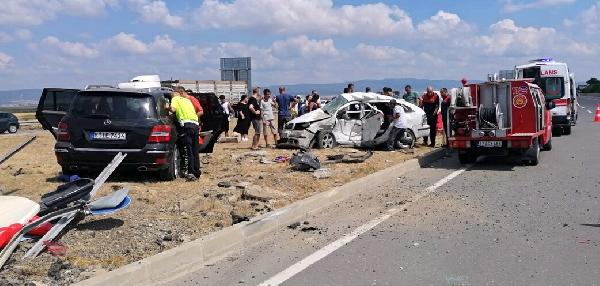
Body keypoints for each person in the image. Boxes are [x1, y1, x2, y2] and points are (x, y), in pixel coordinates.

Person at [169, 91, 200, 180]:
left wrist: (167, 107)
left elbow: (173, 109)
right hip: (195, 125)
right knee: (195, 150)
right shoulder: (187, 100)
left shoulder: (175, 98)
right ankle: (196, 171)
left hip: (187, 125)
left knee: (188, 150)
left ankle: (190, 172)